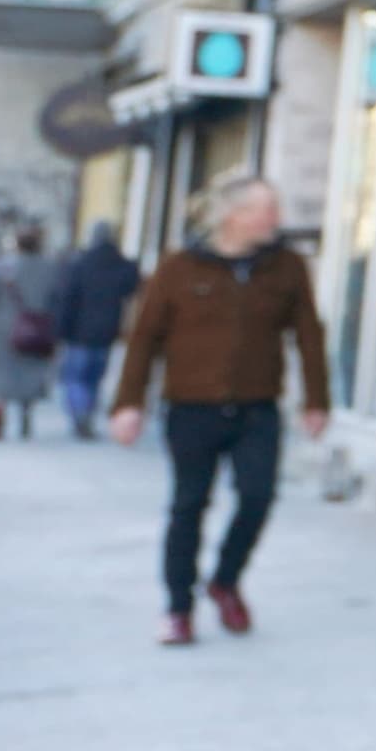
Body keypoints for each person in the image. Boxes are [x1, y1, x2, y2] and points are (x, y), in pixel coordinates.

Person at [108, 177, 328, 646]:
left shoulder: (287, 267)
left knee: (258, 496)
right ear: (235, 215)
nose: (276, 220)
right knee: (188, 506)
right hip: (192, 409)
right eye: (267, 210)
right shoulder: (179, 268)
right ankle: (177, 609)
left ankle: (225, 579)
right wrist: (128, 403)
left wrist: (317, 399)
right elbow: (144, 338)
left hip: (257, 407)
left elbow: (309, 334)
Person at [0, 226, 60, 439]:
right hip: (38, 328)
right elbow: (57, 299)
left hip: (1, 328)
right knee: (29, 371)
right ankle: (25, 414)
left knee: (0, 374)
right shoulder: (51, 269)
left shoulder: (1, 267)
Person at [53, 222, 138, 440]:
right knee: (93, 378)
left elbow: (68, 299)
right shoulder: (120, 264)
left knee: (76, 377)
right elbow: (131, 287)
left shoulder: (80, 263)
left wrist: (61, 329)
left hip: (79, 332)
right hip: (106, 331)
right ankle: (86, 413)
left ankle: (81, 414)